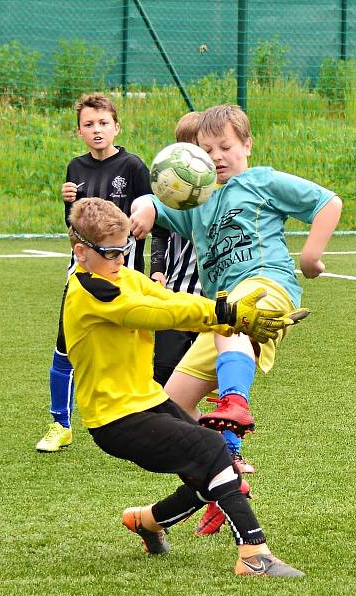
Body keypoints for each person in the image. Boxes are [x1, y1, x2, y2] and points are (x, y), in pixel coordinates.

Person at [62, 196, 306, 577]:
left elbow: (170, 299)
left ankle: (146, 520)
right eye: (111, 253)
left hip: (147, 401)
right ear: (81, 251)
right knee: (210, 448)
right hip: (115, 420)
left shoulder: (121, 276)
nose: (121, 260)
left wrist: (231, 324)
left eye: (125, 249)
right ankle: (254, 556)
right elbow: (159, 314)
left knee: (215, 464)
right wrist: (227, 313)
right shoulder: (92, 292)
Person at [130, 103, 342, 533]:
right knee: (172, 407)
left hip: (266, 289)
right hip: (224, 316)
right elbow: (153, 202)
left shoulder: (260, 181)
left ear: (246, 143)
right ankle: (222, 469)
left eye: (225, 146)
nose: (218, 157)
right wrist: (144, 210)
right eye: (207, 151)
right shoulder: (198, 201)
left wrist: (311, 255)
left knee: (231, 317)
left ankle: (235, 406)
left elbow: (327, 201)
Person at [36, 93, 155, 453]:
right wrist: (67, 204)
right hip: (82, 276)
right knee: (65, 346)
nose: (97, 129)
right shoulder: (76, 168)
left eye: (103, 123)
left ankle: (147, 421)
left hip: (125, 274)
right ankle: (60, 424)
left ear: (116, 127)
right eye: (89, 124)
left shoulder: (133, 166)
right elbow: (73, 228)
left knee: (134, 349)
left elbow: (150, 216)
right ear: (79, 132)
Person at [149, 112, 255, 477]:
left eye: (216, 150)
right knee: (164, 375)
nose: (211, 158)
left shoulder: (232, 193)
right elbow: (159, 225)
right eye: (202, 151)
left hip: (215, 300)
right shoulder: (180, 192)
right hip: (178, 294)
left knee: (222, 373)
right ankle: (208, 450)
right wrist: (158, 267)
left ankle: (229, 451)